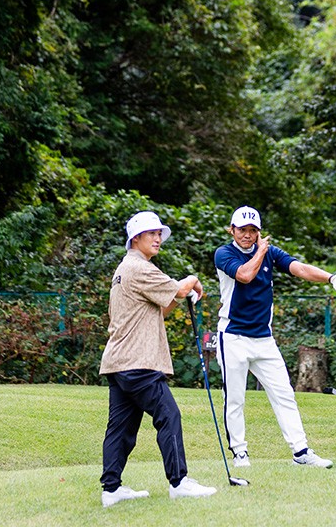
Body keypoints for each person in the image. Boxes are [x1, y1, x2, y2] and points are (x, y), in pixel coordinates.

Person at [213, 205, 336, 469]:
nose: (247, 235)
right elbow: (244, 275)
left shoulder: (268, 252)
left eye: (253, 230)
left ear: (259, 231)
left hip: (263, 339)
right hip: (232, 337)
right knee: (234, 398)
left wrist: (331, 278)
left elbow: (298, 268)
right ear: (232, 230)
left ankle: (301, 452)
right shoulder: (224, 253)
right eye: (242, 229)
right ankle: (240, 452)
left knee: (284, 394)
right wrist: (262, 251)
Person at [98, 211, 217, 506]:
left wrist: (180, 294)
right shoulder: (139, 267)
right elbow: (178, 288)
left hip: (119, 361)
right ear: (135, 238)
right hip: (138, 361)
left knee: (121, 428)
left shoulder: (125, 269)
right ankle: (179, 482)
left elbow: (161, 308)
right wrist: (192, 281)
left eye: (159, 233)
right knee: (168, 415)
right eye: (152, 233)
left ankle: (111, 490)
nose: (158, 238)